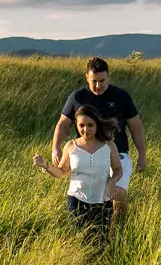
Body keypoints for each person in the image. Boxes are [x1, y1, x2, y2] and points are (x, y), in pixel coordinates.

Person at [51, 57, 147, 224]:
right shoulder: (77, 97)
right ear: (86, 77)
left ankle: (118, 229)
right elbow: (63, 124)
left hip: (118, 154)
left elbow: (136, 127)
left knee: (117, 193)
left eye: (102, 81)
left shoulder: (121, 96)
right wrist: (56, 148)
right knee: (89, 197)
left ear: (108, 76)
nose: (98, 86)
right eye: (94, 81)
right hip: (86, 154)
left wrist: (142, 154)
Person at [33, 105, 124, 242]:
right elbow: (61, 172)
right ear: (76, 124)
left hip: (103, 201)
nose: (85, 129)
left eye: (90, 125)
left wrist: (112, 181)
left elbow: (118, 169)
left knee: (102, 242)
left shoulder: (109, 145)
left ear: (97, 124)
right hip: (77, 201)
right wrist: (46, 165)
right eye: (81, 125)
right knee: (81, 241)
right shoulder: (71, 146)